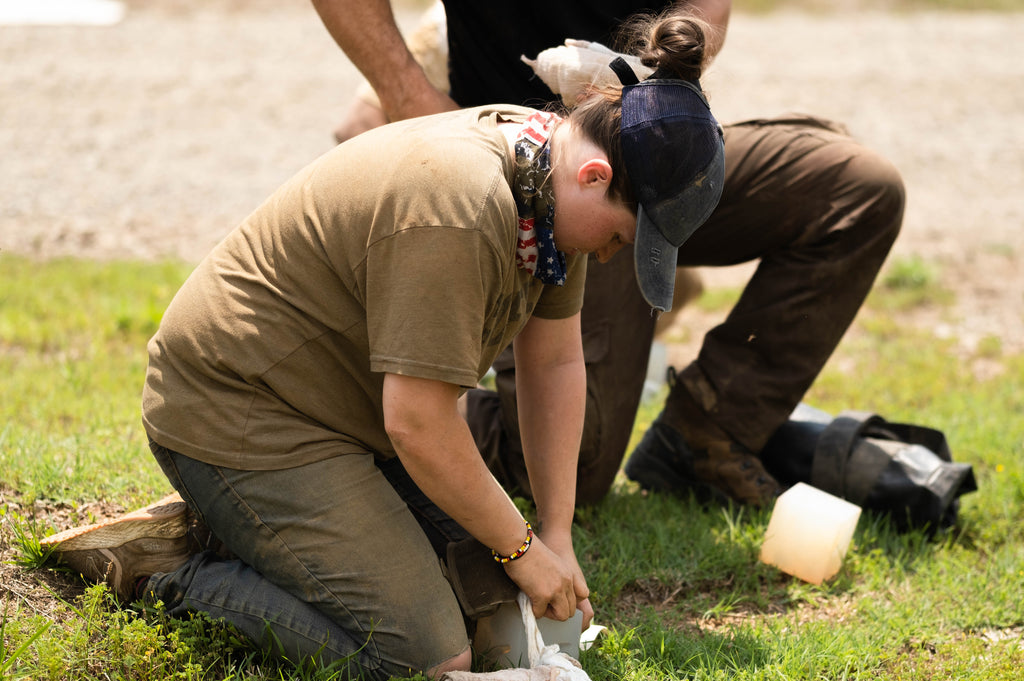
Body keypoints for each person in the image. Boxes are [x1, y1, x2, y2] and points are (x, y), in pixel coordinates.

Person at [42, 14, 727, 681]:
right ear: (596, 176)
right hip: (239, 410)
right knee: (424, 656)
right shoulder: (461, 205)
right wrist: (522, 548)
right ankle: (172, 570)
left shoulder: (549, 172)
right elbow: (419, 422)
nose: (612, 256)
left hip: (341, 416)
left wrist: (555, 533)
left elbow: (554, 362)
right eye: (622, 237)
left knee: (487, 608)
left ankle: (247, 530)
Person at [314, 0, 905, 507]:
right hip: (527, 175)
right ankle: (386, 421)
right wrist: (409, 94)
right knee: (573, 465)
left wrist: (653, 86)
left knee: (859, 191)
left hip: (644, 150)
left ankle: (707, 431)